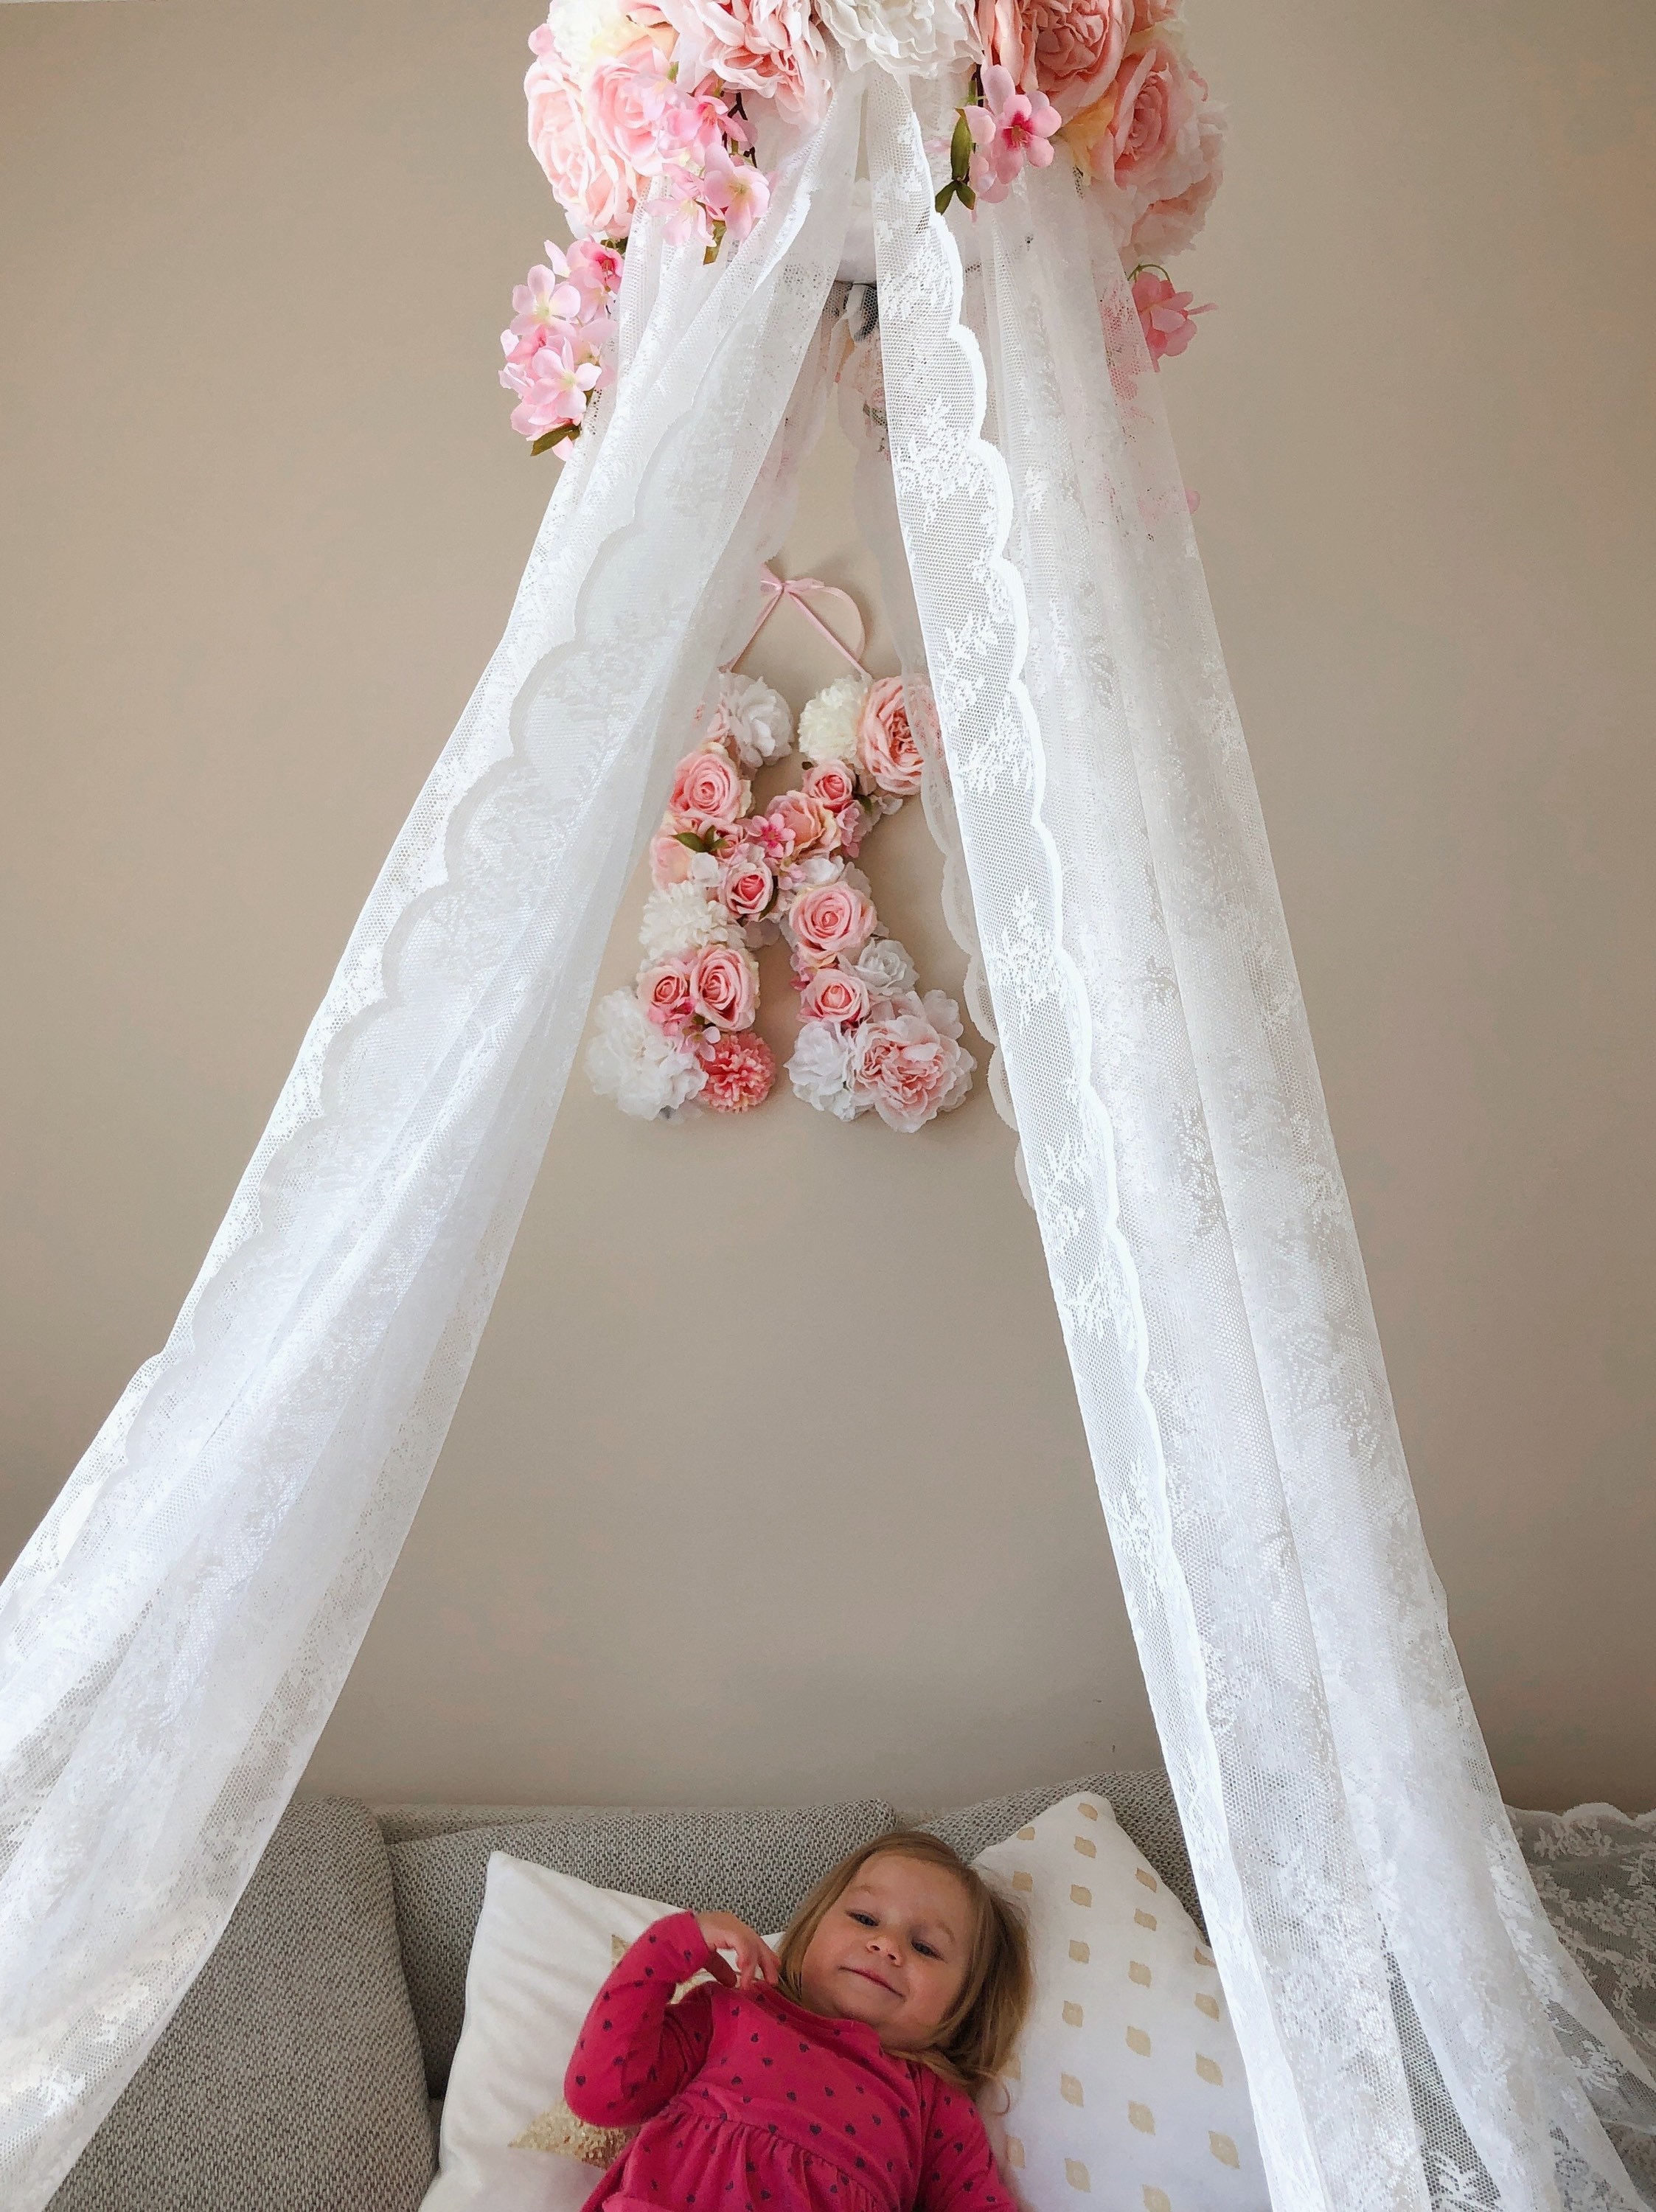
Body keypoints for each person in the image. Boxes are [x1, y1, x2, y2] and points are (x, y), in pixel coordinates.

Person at [564, 1829, 1031, 2211]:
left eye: (926, 1948)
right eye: (866, 1918)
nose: (887, 1945)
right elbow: (600, 2093)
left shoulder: (934, 2105)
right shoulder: (730, 2012)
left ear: (965, 2004)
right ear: (812, 1927)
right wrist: (669, 1947)